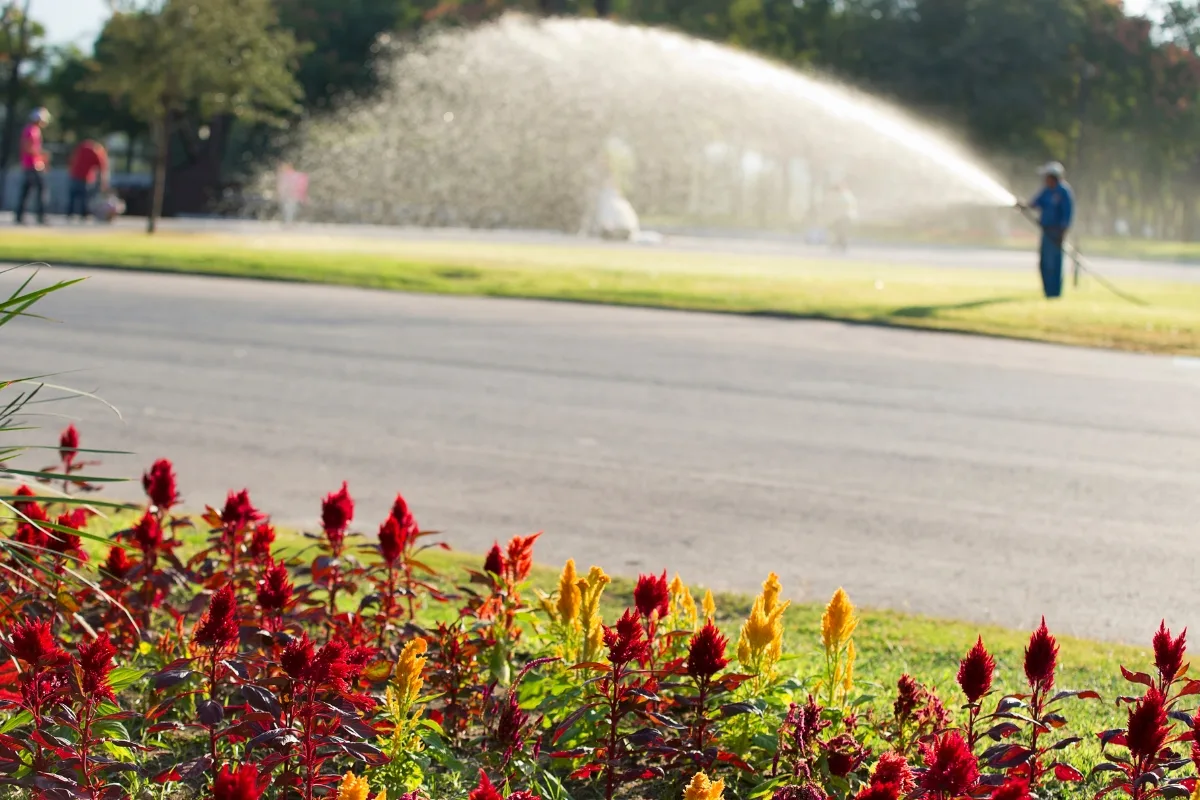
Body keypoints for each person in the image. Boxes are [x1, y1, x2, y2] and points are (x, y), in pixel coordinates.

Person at [1020, 161, 1074, 299]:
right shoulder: (1046, 191)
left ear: (1054, 177)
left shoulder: (1064, 192)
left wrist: (1062, 233)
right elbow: (1035, 203)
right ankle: (1047, 291)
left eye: (1047, 176)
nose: (1045, 179)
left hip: (1056, 233)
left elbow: (1067, 214)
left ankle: (1054, 293)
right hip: (1046, 231)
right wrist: (1023, 205)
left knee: (1054, 263)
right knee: (1044, 262)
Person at [14, 107, 51, 225]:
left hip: (32, 164)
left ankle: (20, 215)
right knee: (40, 189)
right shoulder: (31, 130)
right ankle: (41, 215)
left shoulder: (33, 130)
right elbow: (28, 148)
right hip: (32, 164)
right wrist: (41, 154)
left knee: (27, 190)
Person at [66, 138, 110, 222]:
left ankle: (70, 213)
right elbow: (102, 168)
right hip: (85, 177)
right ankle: (84, 214)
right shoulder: (97, 152)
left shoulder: (84, 146)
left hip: (74, 174)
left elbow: (73, 158)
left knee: (73, 196)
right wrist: (103, 182)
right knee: (85, 197)